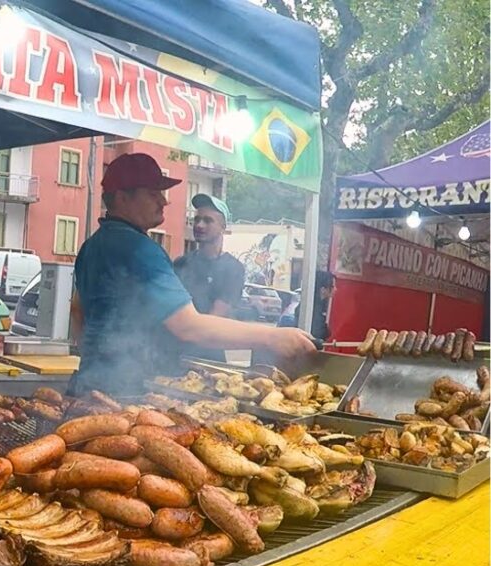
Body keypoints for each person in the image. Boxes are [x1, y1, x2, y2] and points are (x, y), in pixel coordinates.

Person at [68, 152, 316, 397]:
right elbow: (189, 327)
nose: (163, 201)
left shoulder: (92, 245)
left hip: (88, 385)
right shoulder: (141, 250)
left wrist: (93, 361)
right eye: (153, 194)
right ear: (122, 198)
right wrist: (272, 337)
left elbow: (77, 310)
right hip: (128, 392)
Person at [173, 193, 246, 362]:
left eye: (208, 220)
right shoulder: (181, 263)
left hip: (211, 358)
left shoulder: (233, 269)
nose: (199, 225)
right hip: (176, 353)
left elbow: (215, 318)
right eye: (196, 219)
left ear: (223, 227)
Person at [282, 271, 334, 341]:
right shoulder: (312, 307)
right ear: (323, 290)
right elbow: (319, 332)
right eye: (333, 286)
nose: (336, 289)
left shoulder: (316, 304)